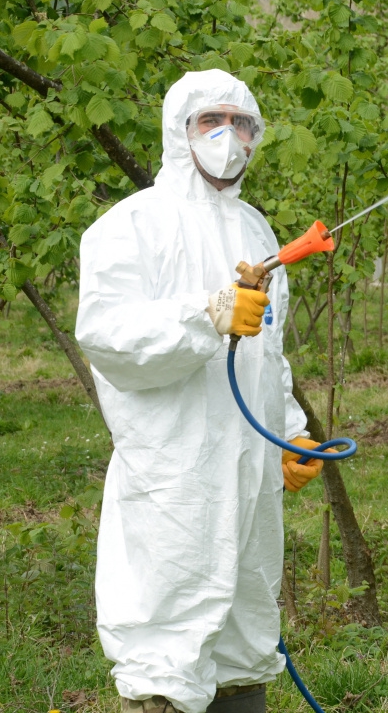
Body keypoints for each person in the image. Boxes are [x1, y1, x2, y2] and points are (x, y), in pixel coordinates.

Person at [76, 70, 326, 713]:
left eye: (244, 124)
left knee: (245, 636)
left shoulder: (258, 232)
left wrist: (288, 431)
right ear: (178, 130)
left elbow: (267, 355)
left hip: (248, 471)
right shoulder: (130, 226)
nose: (230, 137)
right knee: (169, 641)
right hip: (174, 472)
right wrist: (205, 316)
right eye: (211, 121)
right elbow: (108, 337)